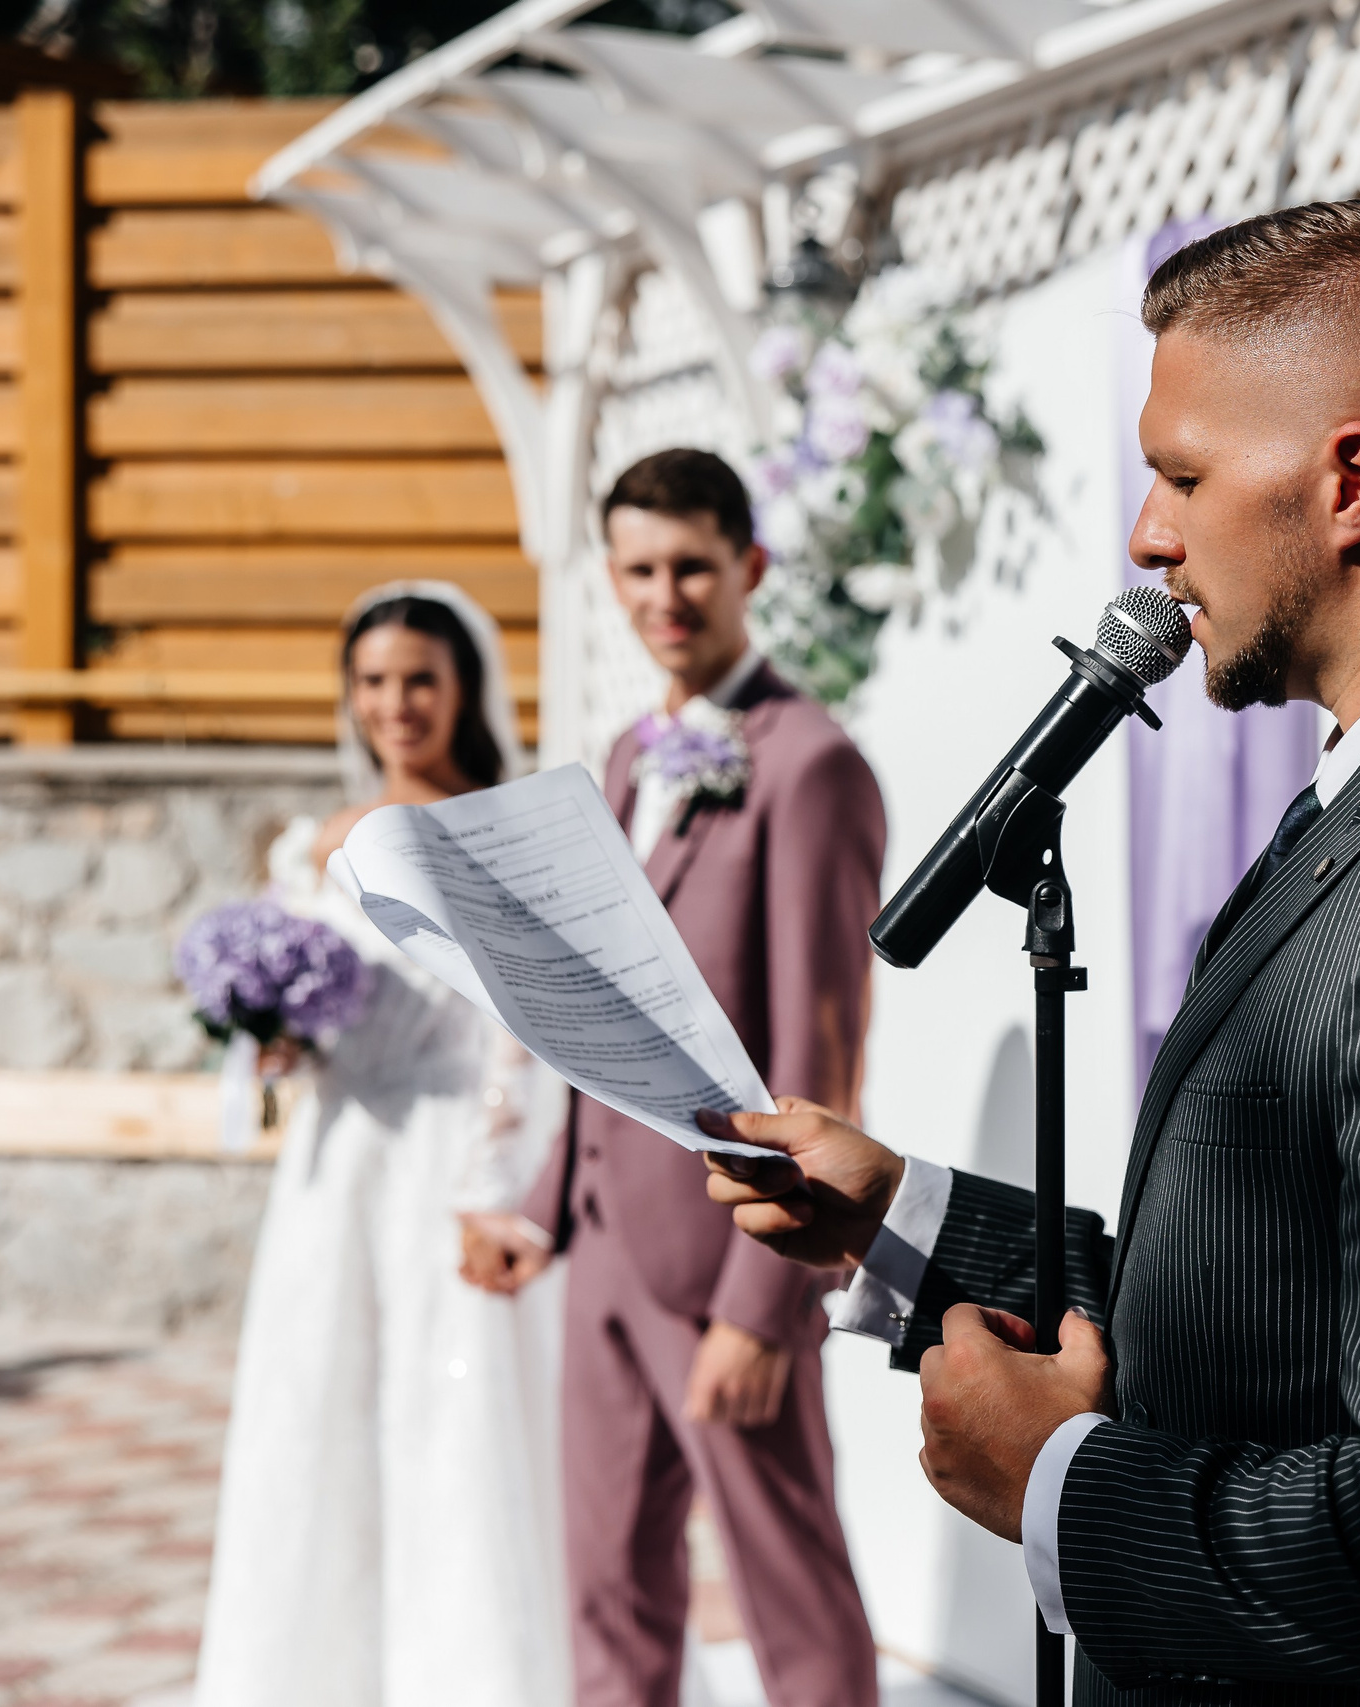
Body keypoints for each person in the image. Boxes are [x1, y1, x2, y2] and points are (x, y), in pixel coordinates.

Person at [702, 201, 1360, 1704]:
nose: (1147, 534)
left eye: (1183, 474)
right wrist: (908, 1218)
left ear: (1351, 482)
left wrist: (1055, 1478)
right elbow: (1271, 1314)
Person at [462, 448, 884, 1707]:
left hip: (726, 1258)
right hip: (600, 1244)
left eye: (692, 565)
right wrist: (545, 1202)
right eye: (640, 569)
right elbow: (604, 1029)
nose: (667, 595)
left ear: (748, 567)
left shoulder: (810, 765)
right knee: (609, 1584)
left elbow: (823, 1054)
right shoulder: (626, 759)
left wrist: (767, 1302)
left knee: (788, 1595)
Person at [195, 583, 572, 1707]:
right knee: (319, 1407)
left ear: (464, 690)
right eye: (371, 682)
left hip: (452, 1157)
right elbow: (298, 1036)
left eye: (419, 679)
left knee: (454, 1414)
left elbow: (526, 1038)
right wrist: (267, 1045)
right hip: (336, 1165)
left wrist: (495, 1190)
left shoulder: (500, 831)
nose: (394, 704)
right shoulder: (310, 850)